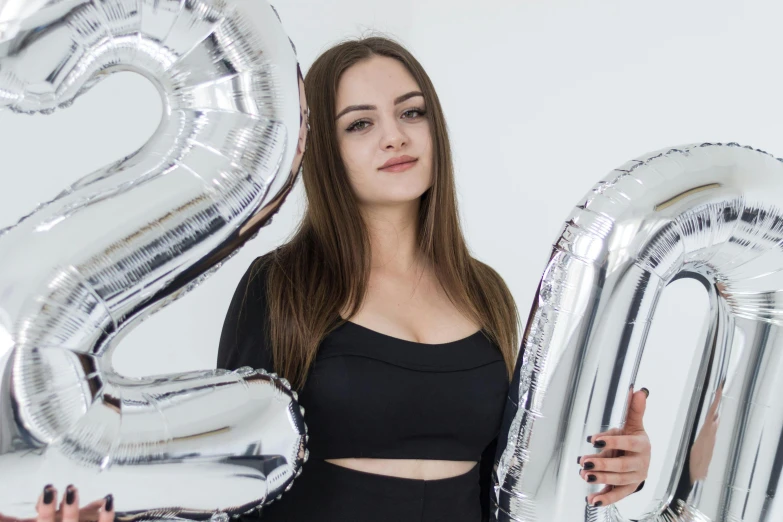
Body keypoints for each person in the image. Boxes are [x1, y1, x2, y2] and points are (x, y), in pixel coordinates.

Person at [27, 35, 651, 522]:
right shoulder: (283, 285)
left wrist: (622, 467)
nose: (395, 136)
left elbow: (511, 474)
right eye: (360, 123)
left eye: (413, 112)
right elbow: (230, 470)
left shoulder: (484, 291)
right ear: (325, 147)